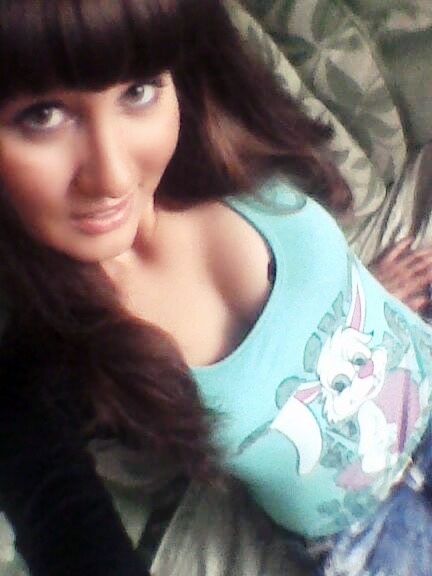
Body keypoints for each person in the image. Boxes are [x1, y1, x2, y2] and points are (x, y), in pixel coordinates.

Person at [0, 1, 431, 575]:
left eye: (137, 90)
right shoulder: (47, 364)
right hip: (372, 536)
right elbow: (67, 526)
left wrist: (360, 294)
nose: (114, 176)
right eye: (43, 114)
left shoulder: (215, 141)